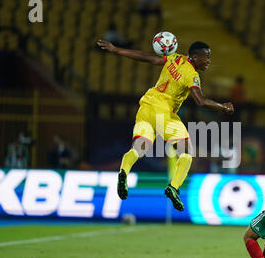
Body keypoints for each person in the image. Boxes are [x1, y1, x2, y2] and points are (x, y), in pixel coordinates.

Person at [97, 39, 234, 211]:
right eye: (206, 57)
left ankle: (123, 171)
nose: (208, 61)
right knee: (186, 152)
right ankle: (173, 187)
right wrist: (223, 106)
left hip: (146, 107)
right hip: (164, 112)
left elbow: (147, 57)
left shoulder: (175, 58)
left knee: (138, 149)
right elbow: (200, 100)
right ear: (195, 56)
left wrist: (116, 49)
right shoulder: (192, 75)